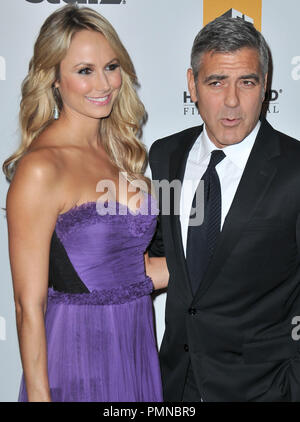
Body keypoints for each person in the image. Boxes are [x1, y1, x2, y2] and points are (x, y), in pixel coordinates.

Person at [3, 5, 168, 402]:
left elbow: (138, 270)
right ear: (54, 79)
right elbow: (29, 306)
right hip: (78, 354)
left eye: (111, 66)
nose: (104, 84)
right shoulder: (42, 167)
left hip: (134, 342)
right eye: (84, 71)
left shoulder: (118, 153)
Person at [148, 16, 300, 402]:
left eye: (246, 82)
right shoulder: (167, 155)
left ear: (264, 86)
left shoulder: (295, 168)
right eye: (216, 82)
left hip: (267, 388)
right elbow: (170, 259)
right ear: (192, 85)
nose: (232, 101)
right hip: (177, 385)